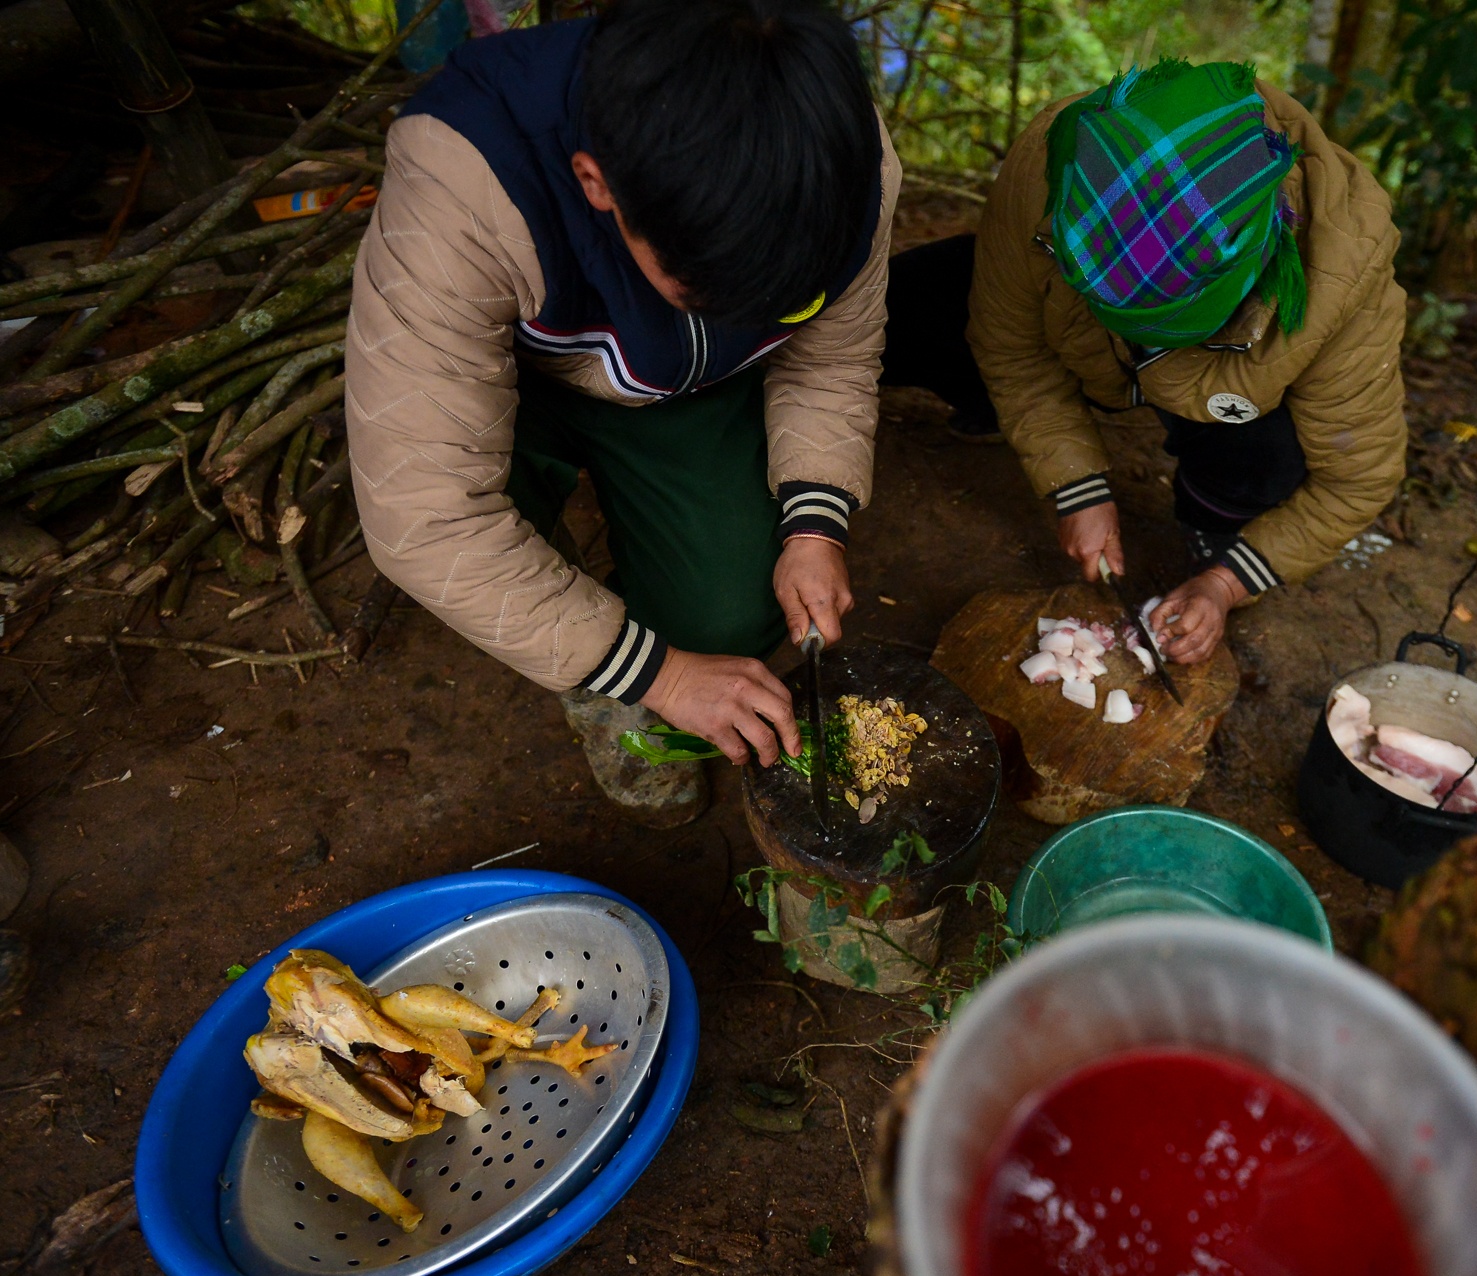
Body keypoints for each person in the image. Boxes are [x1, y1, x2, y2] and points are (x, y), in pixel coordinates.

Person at [345, 0, 897, 824]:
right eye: (707, 291)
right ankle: (600, 676)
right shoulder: (463, 179)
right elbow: (424, 516)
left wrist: (815, 523)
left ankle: (634, 605)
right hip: (510, 386)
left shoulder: (842, 159)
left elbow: (834, 357)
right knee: (479, 540)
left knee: (731, 611)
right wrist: (656, 674)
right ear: (596, 182)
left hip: (679, 391)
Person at [882, 59, 1405, 665]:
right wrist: (1077, 485)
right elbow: (1011, 345)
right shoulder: (1054, 164)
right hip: (1079, 352)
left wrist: (1227, 582)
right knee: (914, 308)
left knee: (1272, 456)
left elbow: (1358, 476)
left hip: (1225, 400)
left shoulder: (1344, 266)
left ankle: (1215, 522)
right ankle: (987, 407)